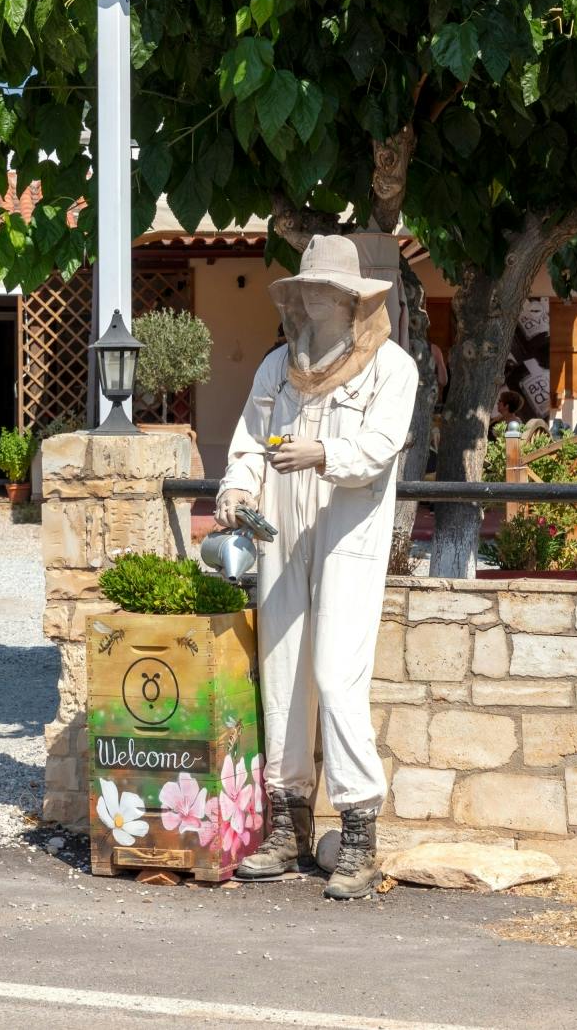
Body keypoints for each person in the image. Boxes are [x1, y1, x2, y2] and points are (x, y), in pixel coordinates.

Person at [216, 236, 417, 901]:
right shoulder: (278, 366)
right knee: (282, 672)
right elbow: (248, 439)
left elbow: (379, 448)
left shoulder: (391, 368)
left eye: (323, 290)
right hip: (280, 531)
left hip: (346, 535)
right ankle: (289, 823)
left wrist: (322, 451)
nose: (311, 299)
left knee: (336, 673)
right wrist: (236, 487)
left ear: (351, 299)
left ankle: (358, 833)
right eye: (304, 289)